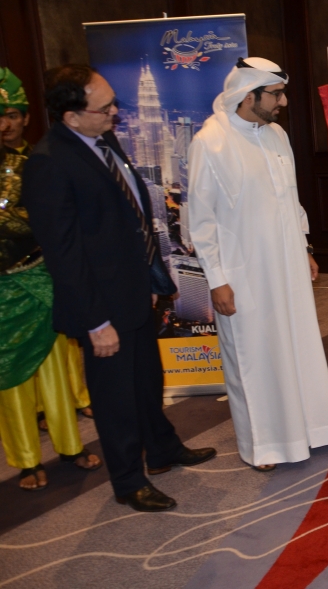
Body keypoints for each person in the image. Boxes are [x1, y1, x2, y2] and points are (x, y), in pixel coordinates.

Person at [22, 64, 216, 512]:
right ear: (71, 116)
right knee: (115, 399)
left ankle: (163, 449)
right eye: (105, 107)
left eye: (114, 103)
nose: (116, 112)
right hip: (101, 307)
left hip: (135, 290)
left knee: (147, 380)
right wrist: (96, 322)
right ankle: (128, 481)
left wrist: (149, 278)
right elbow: (64, 254)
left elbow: (130, 218)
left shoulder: (103, 140)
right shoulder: (49, 162)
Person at [188, 57, 328, 471]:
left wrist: (304, 247)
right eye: (275, 94)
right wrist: (217, 279)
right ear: (248, 95)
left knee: (297, 345)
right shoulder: (210, 142)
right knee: (253, 357)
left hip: (288, 264)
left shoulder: (276, 134)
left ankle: (310, 430)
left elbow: (290, 197)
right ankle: (262, 446)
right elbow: (201, 220)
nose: (283, 102)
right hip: (243, 272)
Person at [0, 142, 102, 490]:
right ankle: (27, 461)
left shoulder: (27, 166)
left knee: (55, 371)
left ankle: (71, 448)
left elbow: (51, 219)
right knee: (8, 379)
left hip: (37, 279)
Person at [0, 67, 94, 426]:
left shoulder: (45, 156)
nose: (5, 125)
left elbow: (55, 216)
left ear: (25, 118)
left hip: (48, 263)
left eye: (12, 115)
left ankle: (76, 397)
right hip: (10, 272)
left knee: (61, 339)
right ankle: (36, 411)